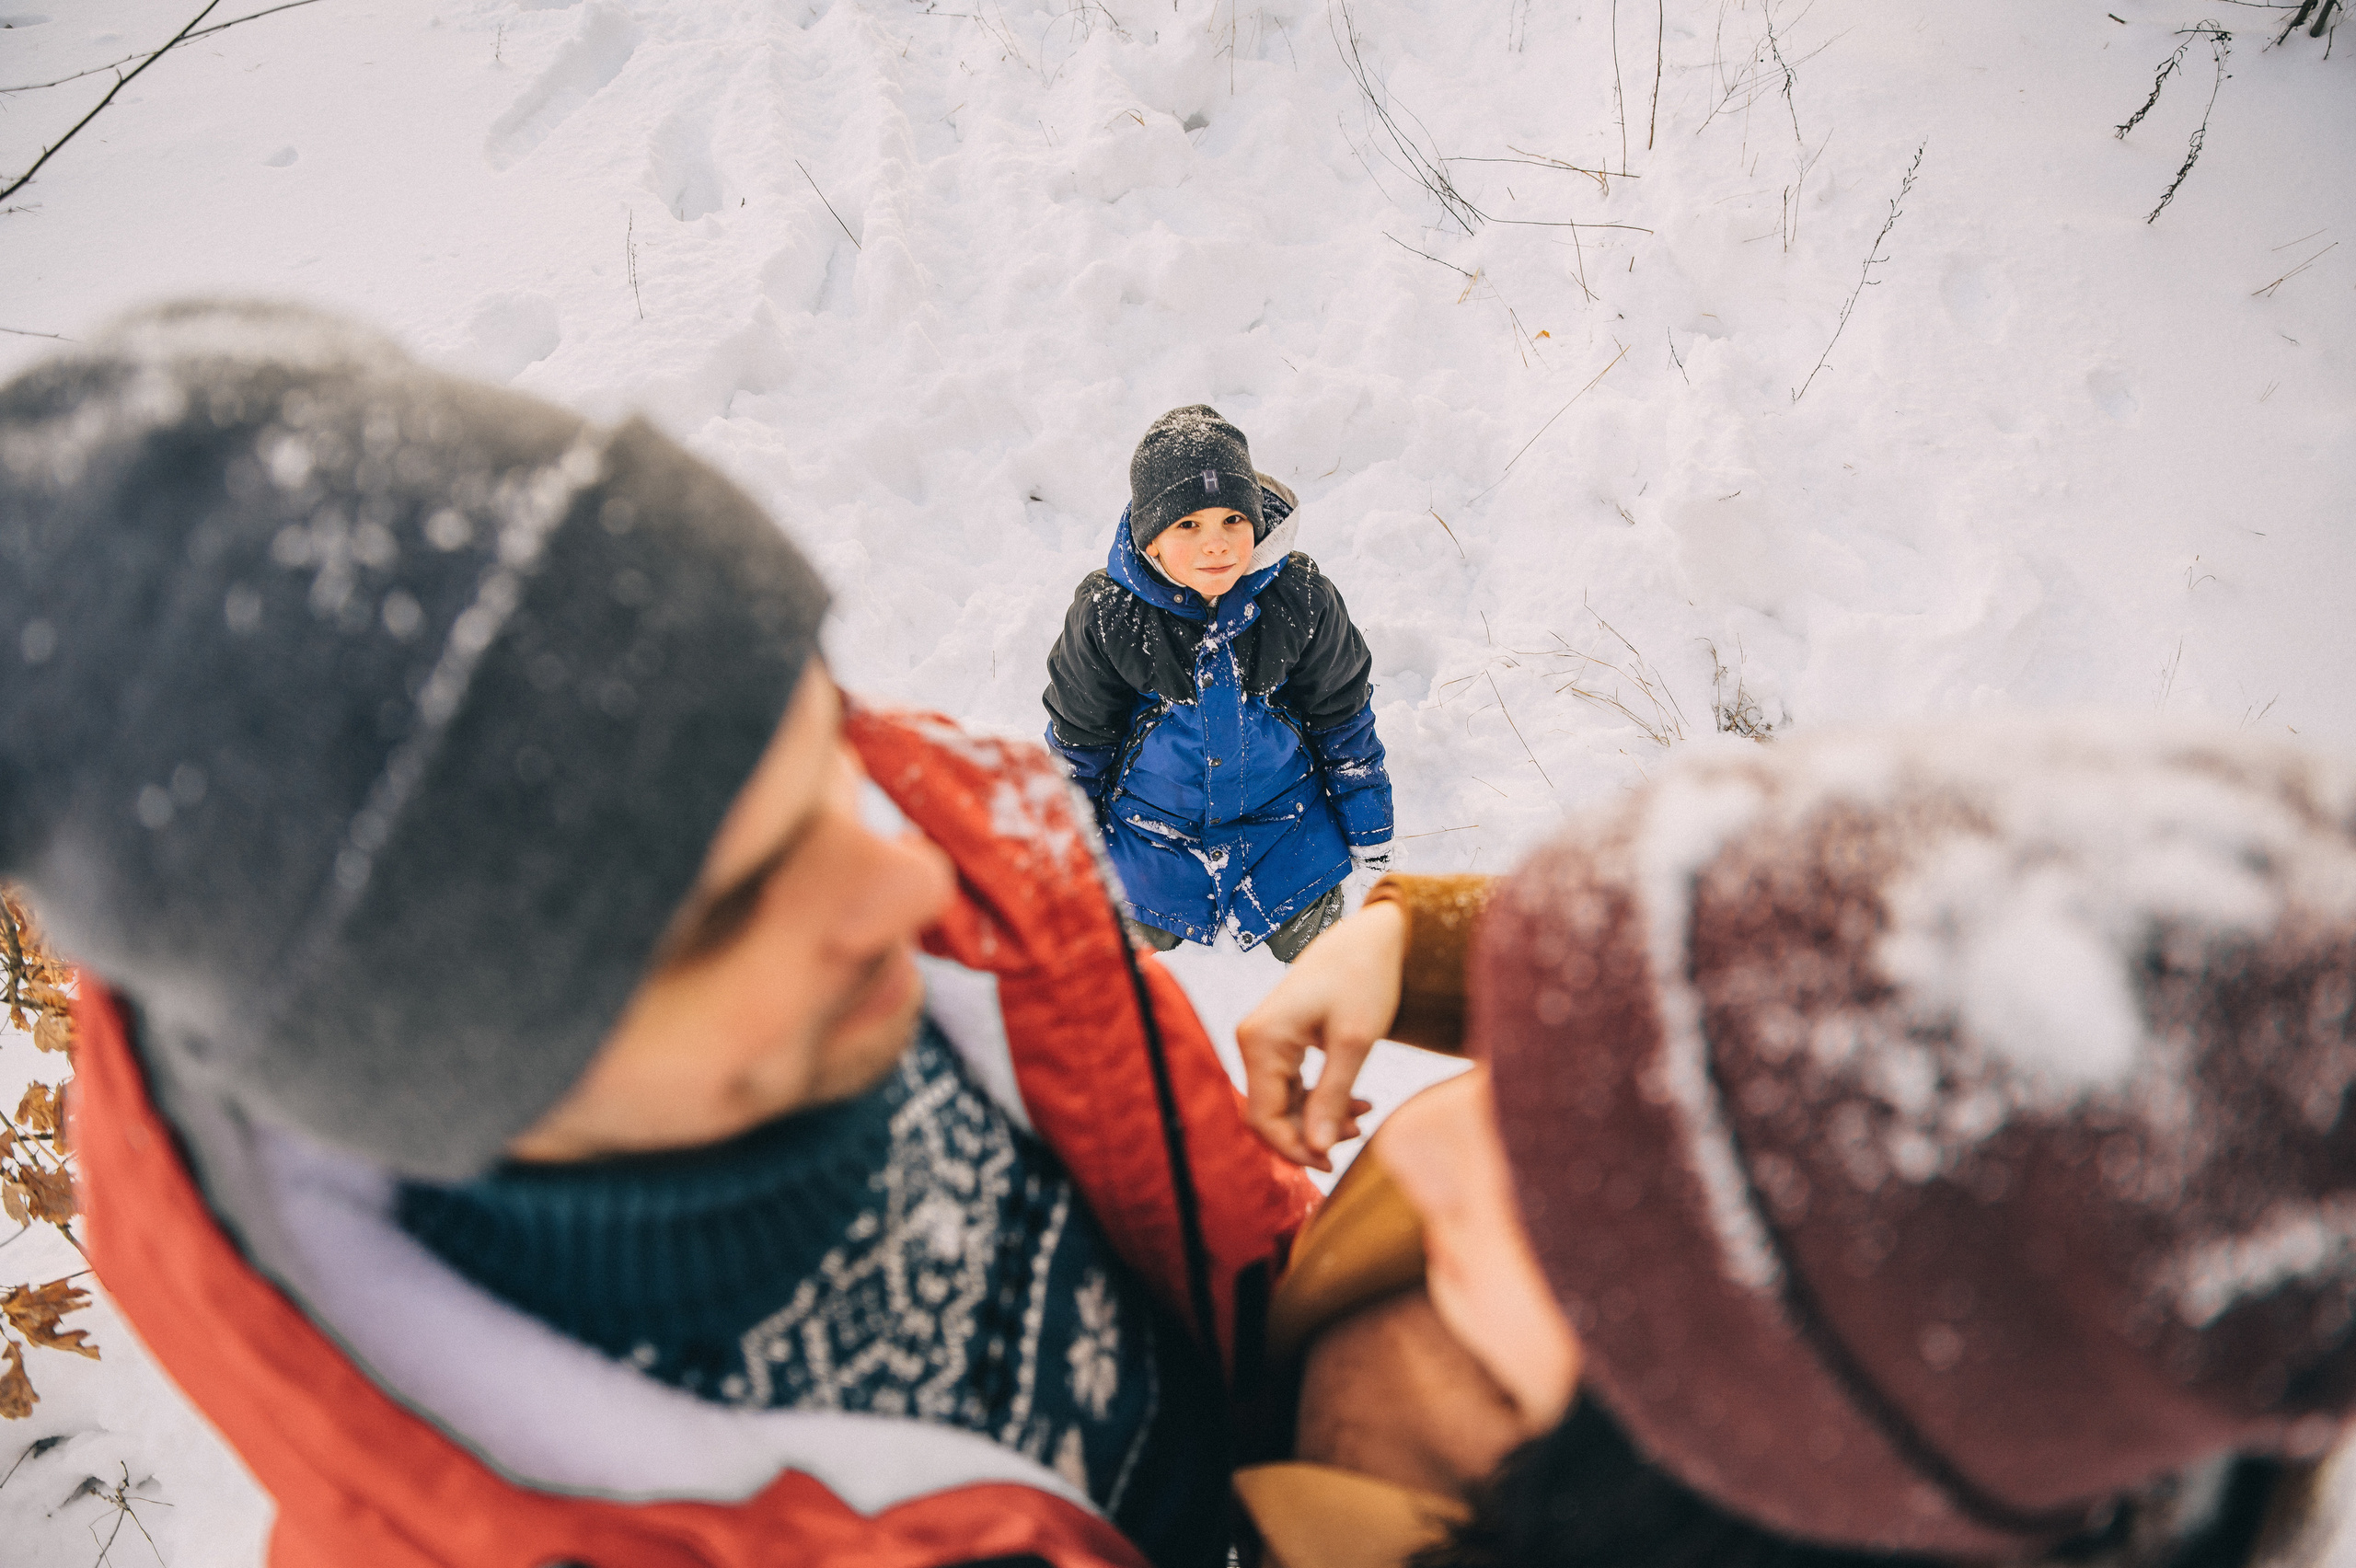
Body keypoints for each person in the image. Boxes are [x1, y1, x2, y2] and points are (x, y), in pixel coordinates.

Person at [0, 302, 1322, 1568]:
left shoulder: (966, 905)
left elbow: (1230, 1247)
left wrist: (1367, 1355)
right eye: (735, 905)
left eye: (828, 763)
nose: (906, 893)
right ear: (448, 1064)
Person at [1231, 723, 2356, 1568]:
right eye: (1511, 1079)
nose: (1420, 1146)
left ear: (1753, 1450)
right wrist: (1429, 945)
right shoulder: (1961, 1292)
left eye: (1552, 1190)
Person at [1043, 406, 1393, 963]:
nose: (1218, 544)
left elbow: (1342, 719)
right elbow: (1079, 745)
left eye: (1233, 518)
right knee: (1106, 962)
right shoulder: (1111, 616)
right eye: (1189, 525)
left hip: (1282, 822)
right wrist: (1065, 851)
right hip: (1155, 831)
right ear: (1150, 540)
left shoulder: (1298, 598)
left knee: (1340, 957)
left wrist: (1370, 835)